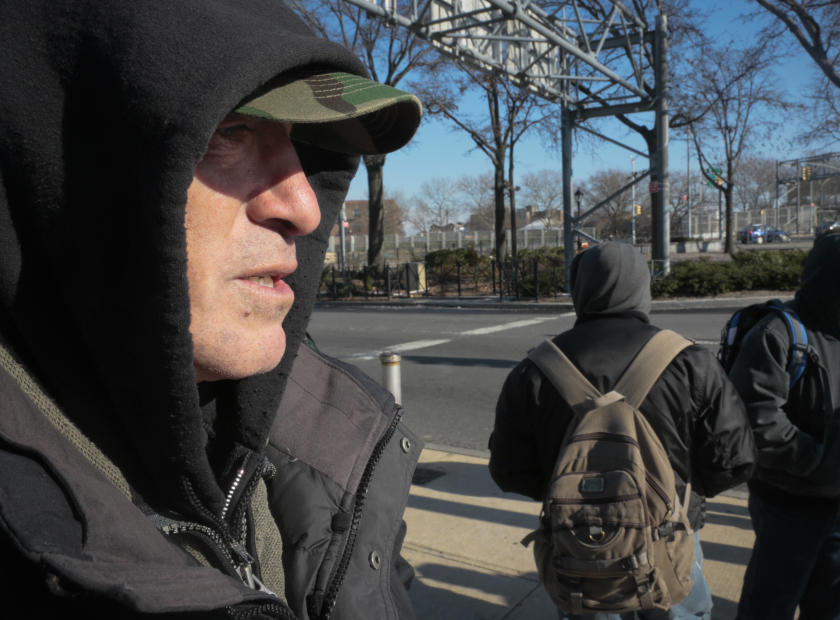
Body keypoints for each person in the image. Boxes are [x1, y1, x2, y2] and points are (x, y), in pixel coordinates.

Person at [0, 1, 423, 617]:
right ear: (65, 164)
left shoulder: (330, 449)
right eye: (229, 133)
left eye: (303, 143)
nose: (304, 206)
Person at [489, 241, 758, 620]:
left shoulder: (536, 369)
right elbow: (735, 460)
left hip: (581, 547)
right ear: (642, 287)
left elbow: (508, 470)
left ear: (579, 289)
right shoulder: (689, 361)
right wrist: (682, 492)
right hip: (671, 537)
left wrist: (574, 497)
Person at [731, 232, 840, 620]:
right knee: (768, 607)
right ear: (839, 282)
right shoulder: (778, 334)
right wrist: (824, 464)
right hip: (790, 511)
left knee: (829, 608)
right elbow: (758, 422)